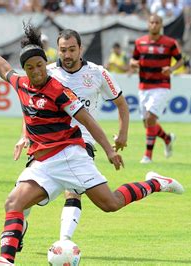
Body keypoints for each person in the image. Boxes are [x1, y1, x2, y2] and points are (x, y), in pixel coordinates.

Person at [0, 23, 184, 266]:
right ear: (26, 70)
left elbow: (88, 121)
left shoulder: (59, 90)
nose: (37, 71)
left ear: (46, 65)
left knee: (111, 204)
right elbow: (4, 69)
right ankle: (6, 260)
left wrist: (109, 150)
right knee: (13, 202)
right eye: (31, 68)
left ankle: (155, 183)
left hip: (70, 155)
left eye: (40, 66)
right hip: (43, 162)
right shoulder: (21, 84)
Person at [15, 28, 130, 252]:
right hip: (48, 143)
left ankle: (64, 243)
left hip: (81, 141)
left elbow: (122, 104)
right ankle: (19, 229)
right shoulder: (45, 72)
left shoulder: (98, 73)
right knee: (24, 195)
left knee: (73, 190)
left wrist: (123, 135)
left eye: (72, 50)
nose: (67, 55)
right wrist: (24, 136)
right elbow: (30, 107)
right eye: (63, 50)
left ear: (80, 49)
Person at [130, 14, 183, 164]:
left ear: (161, 25)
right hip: (144, 86)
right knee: (148, 124)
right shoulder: (140, 42)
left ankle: (147, 156)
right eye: (151, 22)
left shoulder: (170, 43)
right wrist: (133, 63)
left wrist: (171, 69)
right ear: (148, 24)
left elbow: (180, 60)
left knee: (150, 118)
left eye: (157, 23)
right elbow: (133, 59)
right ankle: (167, 138)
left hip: (161, 85)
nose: (154, 25)